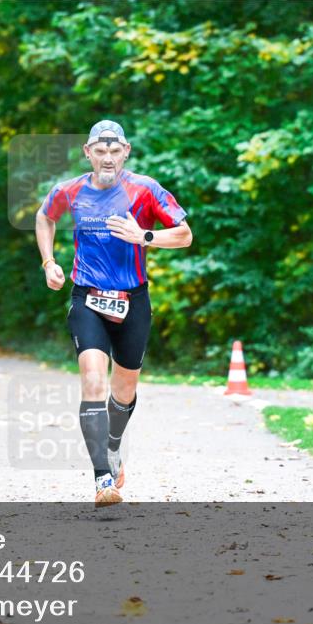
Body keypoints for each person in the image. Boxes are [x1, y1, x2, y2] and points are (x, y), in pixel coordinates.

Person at [35, 120, 192, 507]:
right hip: (87, 297)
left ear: (126, 152)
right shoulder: (69, 191)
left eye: (114, 151)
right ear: (88, 153)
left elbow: (185, 234)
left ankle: (113, 445)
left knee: (123, 391)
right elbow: (45, 217)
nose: (108, 158)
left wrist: (145, 236)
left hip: (133, 299)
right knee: (92, 380)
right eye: (100, 151)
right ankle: (102, 479)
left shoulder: (146, 189)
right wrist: (49, 263)